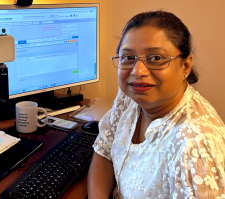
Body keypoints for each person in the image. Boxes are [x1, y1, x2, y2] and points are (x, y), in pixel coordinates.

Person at [87, 10, 225, 199]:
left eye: (156, 58)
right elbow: (104, 151)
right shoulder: (133, 94)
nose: (138, 71)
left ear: (185, 66)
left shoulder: (195, 145)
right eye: (128, 58)